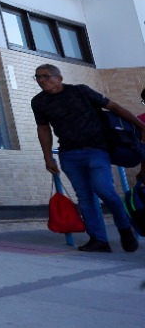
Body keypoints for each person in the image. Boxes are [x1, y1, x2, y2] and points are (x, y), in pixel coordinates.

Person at [31, 63, 139, 252]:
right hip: (69, 154)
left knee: (104, 190)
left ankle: (125, 228)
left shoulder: (80, 91)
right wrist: (47, 157)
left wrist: (141, 126)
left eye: (46, 76)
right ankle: (98, 239)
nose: (41, 80)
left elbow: (114, 107)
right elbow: (43, 128)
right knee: (85, 197)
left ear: (59, 78)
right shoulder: (39, 101)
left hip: (96, 150)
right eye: (38, 77)